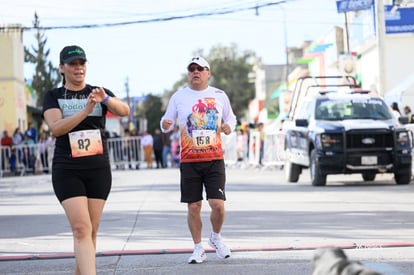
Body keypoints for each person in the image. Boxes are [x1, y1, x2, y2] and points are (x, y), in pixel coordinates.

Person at [42, 45, 130, 275]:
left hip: (98, 169)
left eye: (82, 63)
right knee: (81, 228)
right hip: (68, 169)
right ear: (62, 68)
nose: (78, 68)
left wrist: (106, 99)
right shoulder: (53, 96)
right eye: (72, 64)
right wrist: (84, 110)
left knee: (90, 231)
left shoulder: (97, 92)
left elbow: (124, 110)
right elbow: (56, 128)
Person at [160, 56, 237, 264]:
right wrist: (165, 123)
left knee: (217, 204)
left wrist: (230, 126)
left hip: (214, 159)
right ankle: (197, 247)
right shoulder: (179, 97)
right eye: (192, 69)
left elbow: (231, 118)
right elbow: (165, 120)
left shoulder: (219, 95)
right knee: (193, 206)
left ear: (208, 73)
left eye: (200, 68)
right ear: (188, 73)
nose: (196, 72)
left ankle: (216, 237)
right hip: (190, 160)